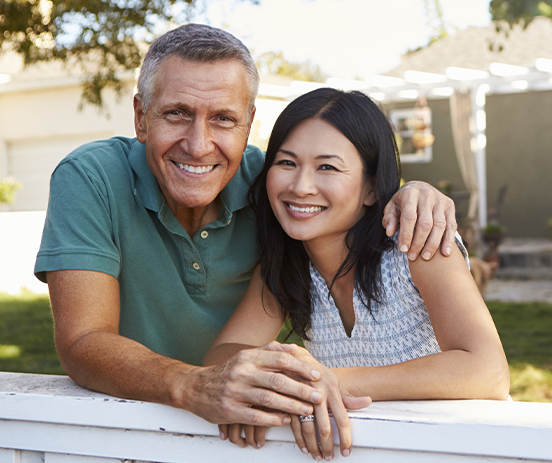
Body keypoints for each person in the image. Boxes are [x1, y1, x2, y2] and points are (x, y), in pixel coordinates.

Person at [34, 23, 459, 440]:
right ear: (141, 117)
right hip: (133, 426)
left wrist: (411, 193)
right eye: (177, 113)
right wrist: (200, 385)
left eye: (223, 118)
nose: (198, 145)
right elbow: (84, 340)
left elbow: (345, 190)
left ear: (248, 124)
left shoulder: (273, 186)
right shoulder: (91, 178)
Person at [203, 88, 509, 460]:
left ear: (370, 187)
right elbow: (219, 358)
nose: (300, 186)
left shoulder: (415, 245)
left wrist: (318, 382)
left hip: (462, 449)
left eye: (327, 167)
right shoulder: (284, 268)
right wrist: (287, 372)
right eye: (286, 163)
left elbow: (488, 371)